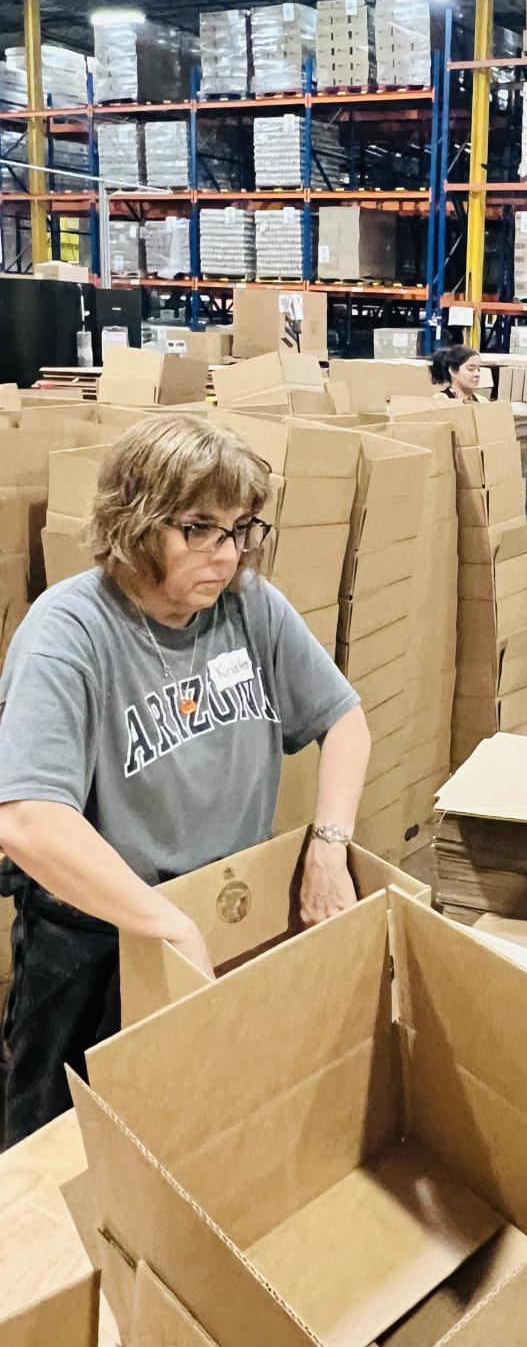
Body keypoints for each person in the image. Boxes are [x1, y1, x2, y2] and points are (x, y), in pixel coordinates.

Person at [0, 414, 371, 1146]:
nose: (226, 555)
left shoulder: (250, 609)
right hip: (93, 940)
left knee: (194, 1133)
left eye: (240, 529)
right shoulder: (68, 631)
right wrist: (163, 922)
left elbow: (345, 720)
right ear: (134, 522)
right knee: (55, 1151)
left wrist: (329, 845)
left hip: (220, 913)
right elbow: (28, 819)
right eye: (198, 528)